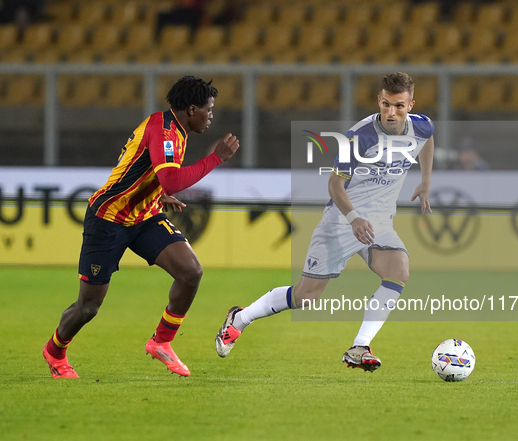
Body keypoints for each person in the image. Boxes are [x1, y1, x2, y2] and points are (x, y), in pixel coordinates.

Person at [215, 72, 434, 372]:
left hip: (380, 222)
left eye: (399, 105)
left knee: (399, 271)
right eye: (386, 104)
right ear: (378, 101)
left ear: (411, 105)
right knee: (306, 297)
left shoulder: (421, 126)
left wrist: (425, 181)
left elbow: (428, 139)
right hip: (342, 222)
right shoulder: (362, 137)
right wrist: (354, 218)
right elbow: (334, 185)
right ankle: (239, 319)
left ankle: (360, 346)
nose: (391, 112)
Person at [42, 76, 240, 378]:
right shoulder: (165, 132)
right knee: (88, 307)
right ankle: (55, 351)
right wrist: (215, 158)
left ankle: (161, 341)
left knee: (191, 272)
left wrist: (158, 193)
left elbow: (141, 168)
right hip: (108, 219)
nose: (211, 115)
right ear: (191, 109)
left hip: (144, 215)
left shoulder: (174, 128)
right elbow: (172, 178)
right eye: (208, 109)